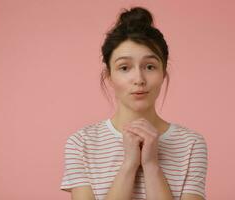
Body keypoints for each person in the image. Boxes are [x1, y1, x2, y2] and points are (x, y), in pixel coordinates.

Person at [60, 6, 208, 200]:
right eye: (124, 67)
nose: (139, 78)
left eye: (149, 66)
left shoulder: (191, 144)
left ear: (163, 74)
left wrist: (151, 165)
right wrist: (129, 165)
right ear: (109, 77)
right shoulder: (81, 143)